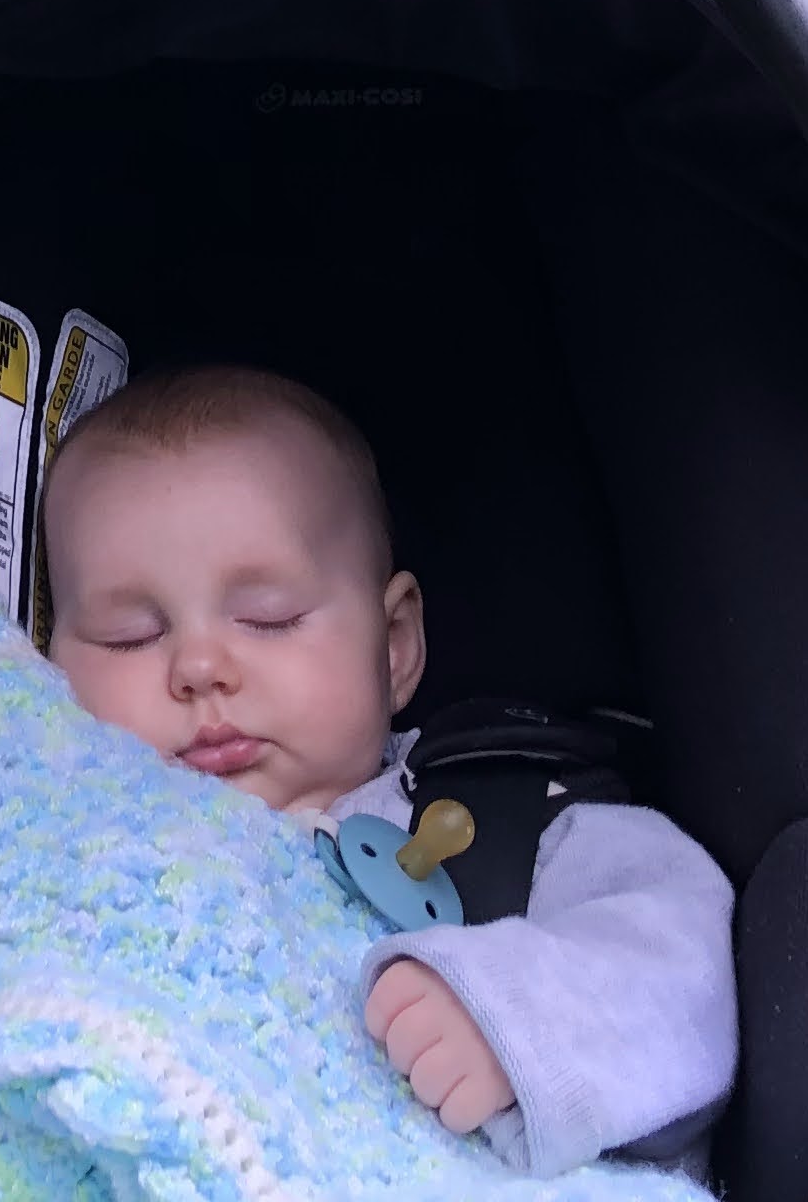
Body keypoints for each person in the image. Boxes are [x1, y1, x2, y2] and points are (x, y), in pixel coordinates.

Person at [41, 365, 738, 1179]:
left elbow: (681, 965)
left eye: (268, 619)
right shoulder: (46, 838)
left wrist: (510, 1023)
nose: (199, 667)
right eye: (129, 635)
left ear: (395, 646)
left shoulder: (508, 819)